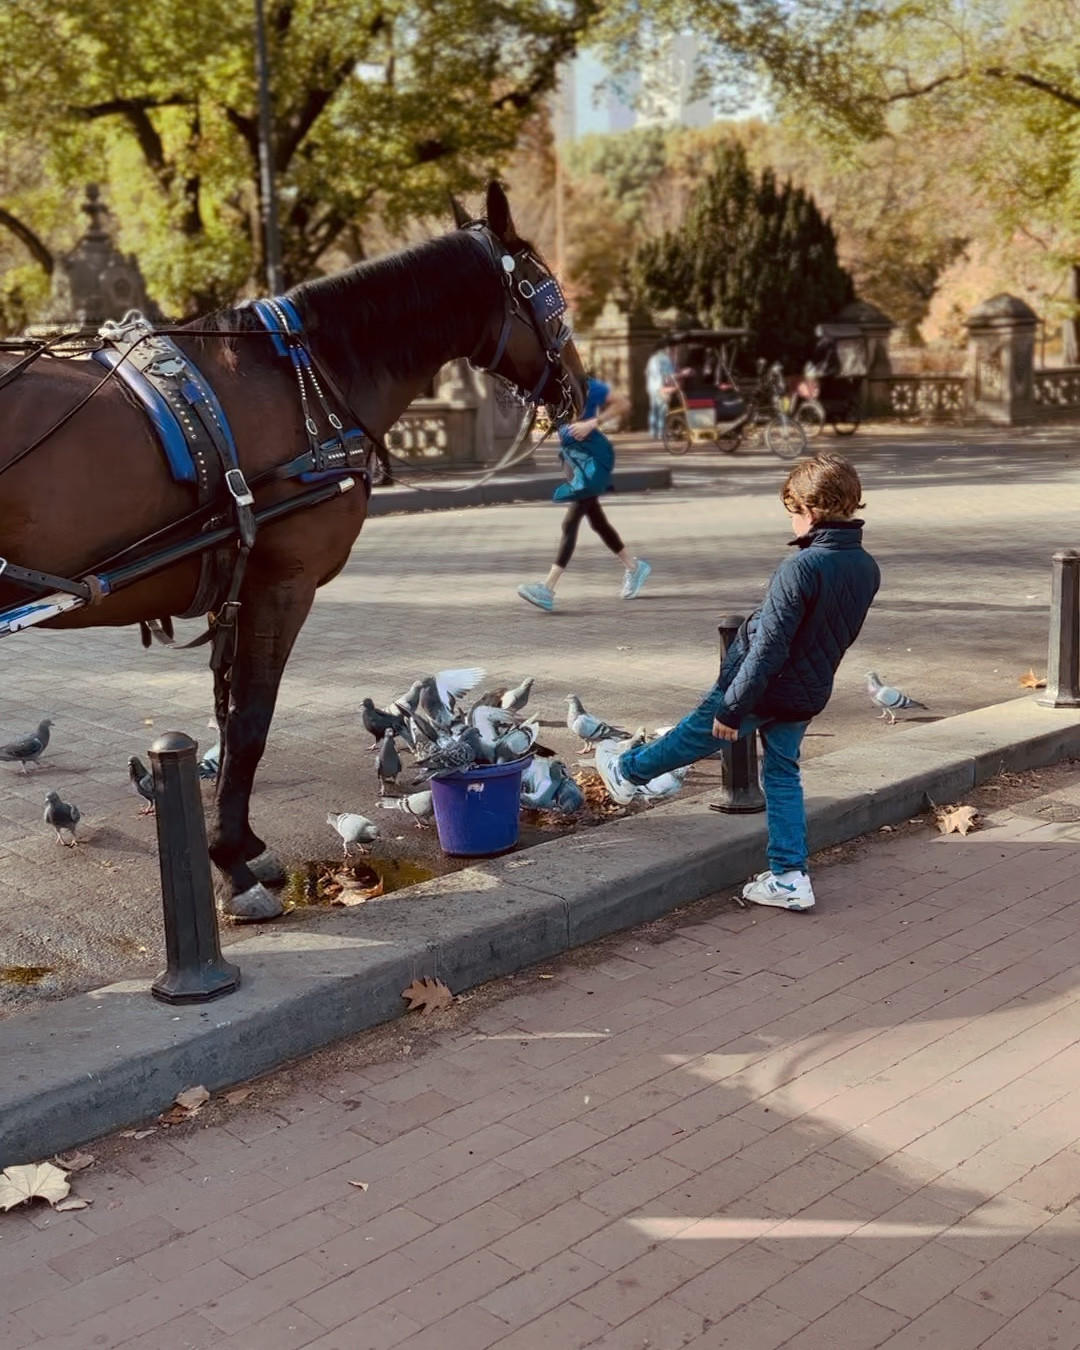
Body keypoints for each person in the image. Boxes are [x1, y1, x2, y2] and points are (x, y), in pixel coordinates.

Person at [595, 452, 880, 912]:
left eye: (792, 512)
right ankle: (790, 876)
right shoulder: (866, 566)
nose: (791, 521)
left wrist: (733, 706)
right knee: (783, 775)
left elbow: (769, 646)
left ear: (809, 510)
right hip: (808, 690)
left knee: (696, 733)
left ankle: (628, 774)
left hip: (760, 685)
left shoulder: (801, 567)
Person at [517, 375, 652, 612]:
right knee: (597, 521)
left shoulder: (586, 385)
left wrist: (593, 422)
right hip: (572, 459)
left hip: (593, 457)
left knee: (571, 521)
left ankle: (547, 588)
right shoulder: (548, 387)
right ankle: (633, 567)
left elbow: (623, 403)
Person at [645, 343, 677, 440]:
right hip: (661, 387)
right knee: (662, 410)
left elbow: (647, 373)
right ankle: (660, 432)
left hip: (651, 387)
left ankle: (652, 432)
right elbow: (669, 375)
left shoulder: (652, 359)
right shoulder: (665, 359)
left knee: (654, 409)